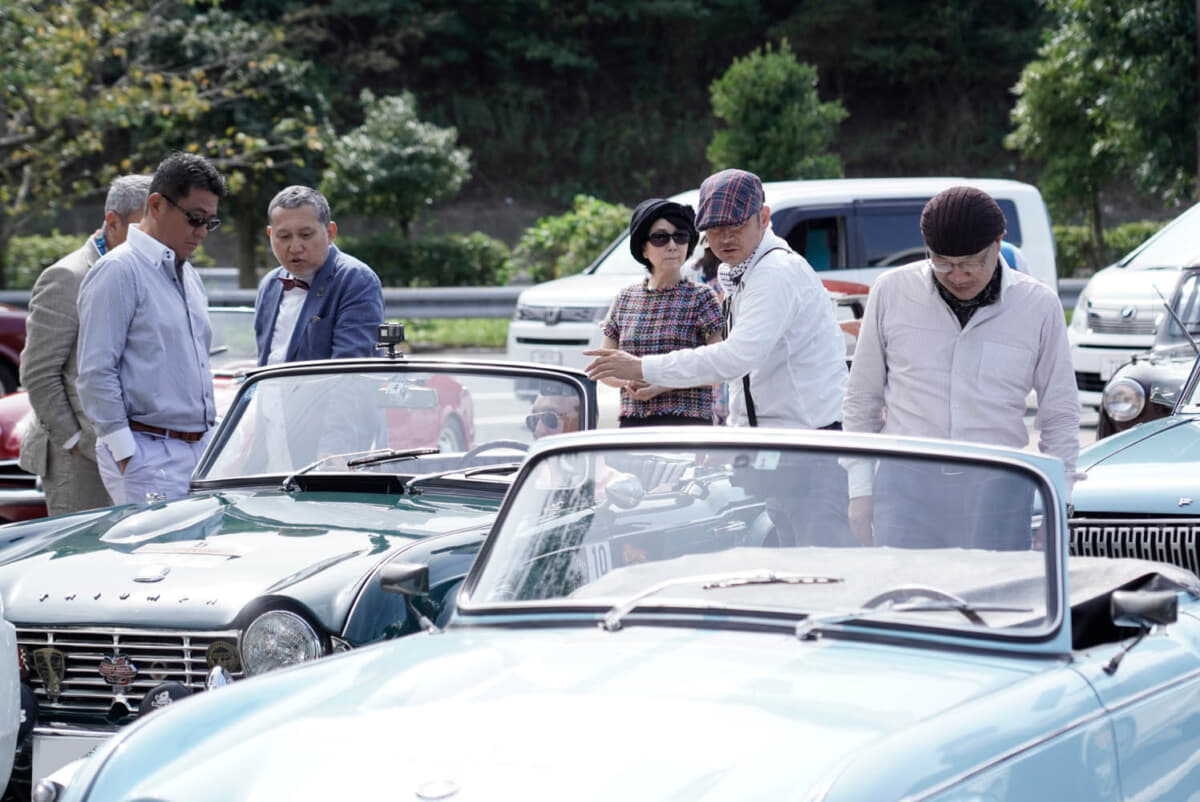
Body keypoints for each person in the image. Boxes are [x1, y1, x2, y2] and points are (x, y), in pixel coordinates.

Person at [585, 168, 851, 546]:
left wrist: (643, 366)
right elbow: (746, 377)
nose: (724, 238)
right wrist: (733, 439)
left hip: (809, 451)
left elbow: (734, 358)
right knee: (786, 561)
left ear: (763, 218)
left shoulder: (774, 272)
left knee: (820, 564)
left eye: (735, 226)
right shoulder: (743, 270)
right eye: (713, 228)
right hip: (776, 450)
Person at [842, 185, 1081, 549]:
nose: (957, 275)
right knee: (902, 585)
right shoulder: (891, 292)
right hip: (905, 486)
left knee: (995, 586)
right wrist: (859, 490)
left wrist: (1058, 503)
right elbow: (862, 397)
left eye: (970, 263)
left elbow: (1060, 412)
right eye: (942, 262)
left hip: (998, 485)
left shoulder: (1038, 306)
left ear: (998, 243)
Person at [77, 152, 227, 505]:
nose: (201, 232)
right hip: (148, 452)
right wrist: (126, 453)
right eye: (195, 218)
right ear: (157, 204)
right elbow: (96, 372)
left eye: (210, 222)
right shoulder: (119, 270)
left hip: (198, 451)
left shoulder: (189, 274)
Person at [18, 175, 151, 515]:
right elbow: (38, 372)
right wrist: (75, 440)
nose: (151, 238)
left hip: (131, 450)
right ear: (112, 222)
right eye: (142, 228)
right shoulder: (68, 276)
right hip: (77, 461)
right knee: (80, 546)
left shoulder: (146, 270)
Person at [599, 199, 723, 427]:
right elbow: (605, 367)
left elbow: (719, 367)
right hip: (633, 423)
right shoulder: (625, 298)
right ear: (643, 248)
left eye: (681, 237)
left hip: (689, 425)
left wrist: (662, 384)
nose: (672, 245)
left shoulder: (702, 298)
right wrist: (628, 382)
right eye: (660, 238)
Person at [254, 186, 384, 365]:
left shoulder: (355, 279)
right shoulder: (270, 284)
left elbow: (350, 367)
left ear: (330, 232)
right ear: (270, 235)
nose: (295, 248)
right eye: (283, 237)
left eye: (306, 235)